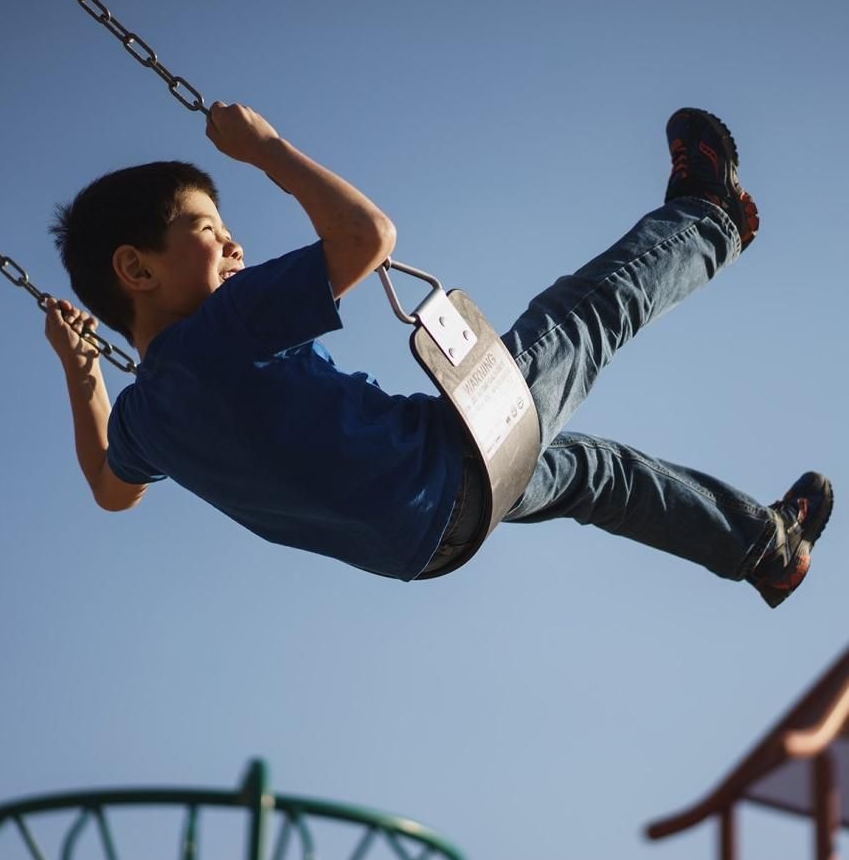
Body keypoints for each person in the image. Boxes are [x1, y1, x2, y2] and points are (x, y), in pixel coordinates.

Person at [45, 104, 832, 607]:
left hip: (425, 542)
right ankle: (710, 219)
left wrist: (84, 377)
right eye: (206, 227)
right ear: (136, 269)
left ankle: (765, 548)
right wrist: (267, 150)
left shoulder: (145, 416)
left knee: (598, 476)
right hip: (445, 466)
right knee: (582, 319)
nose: (232, 240)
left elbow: (111, 490)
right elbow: (366, 238)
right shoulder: (223, 328)